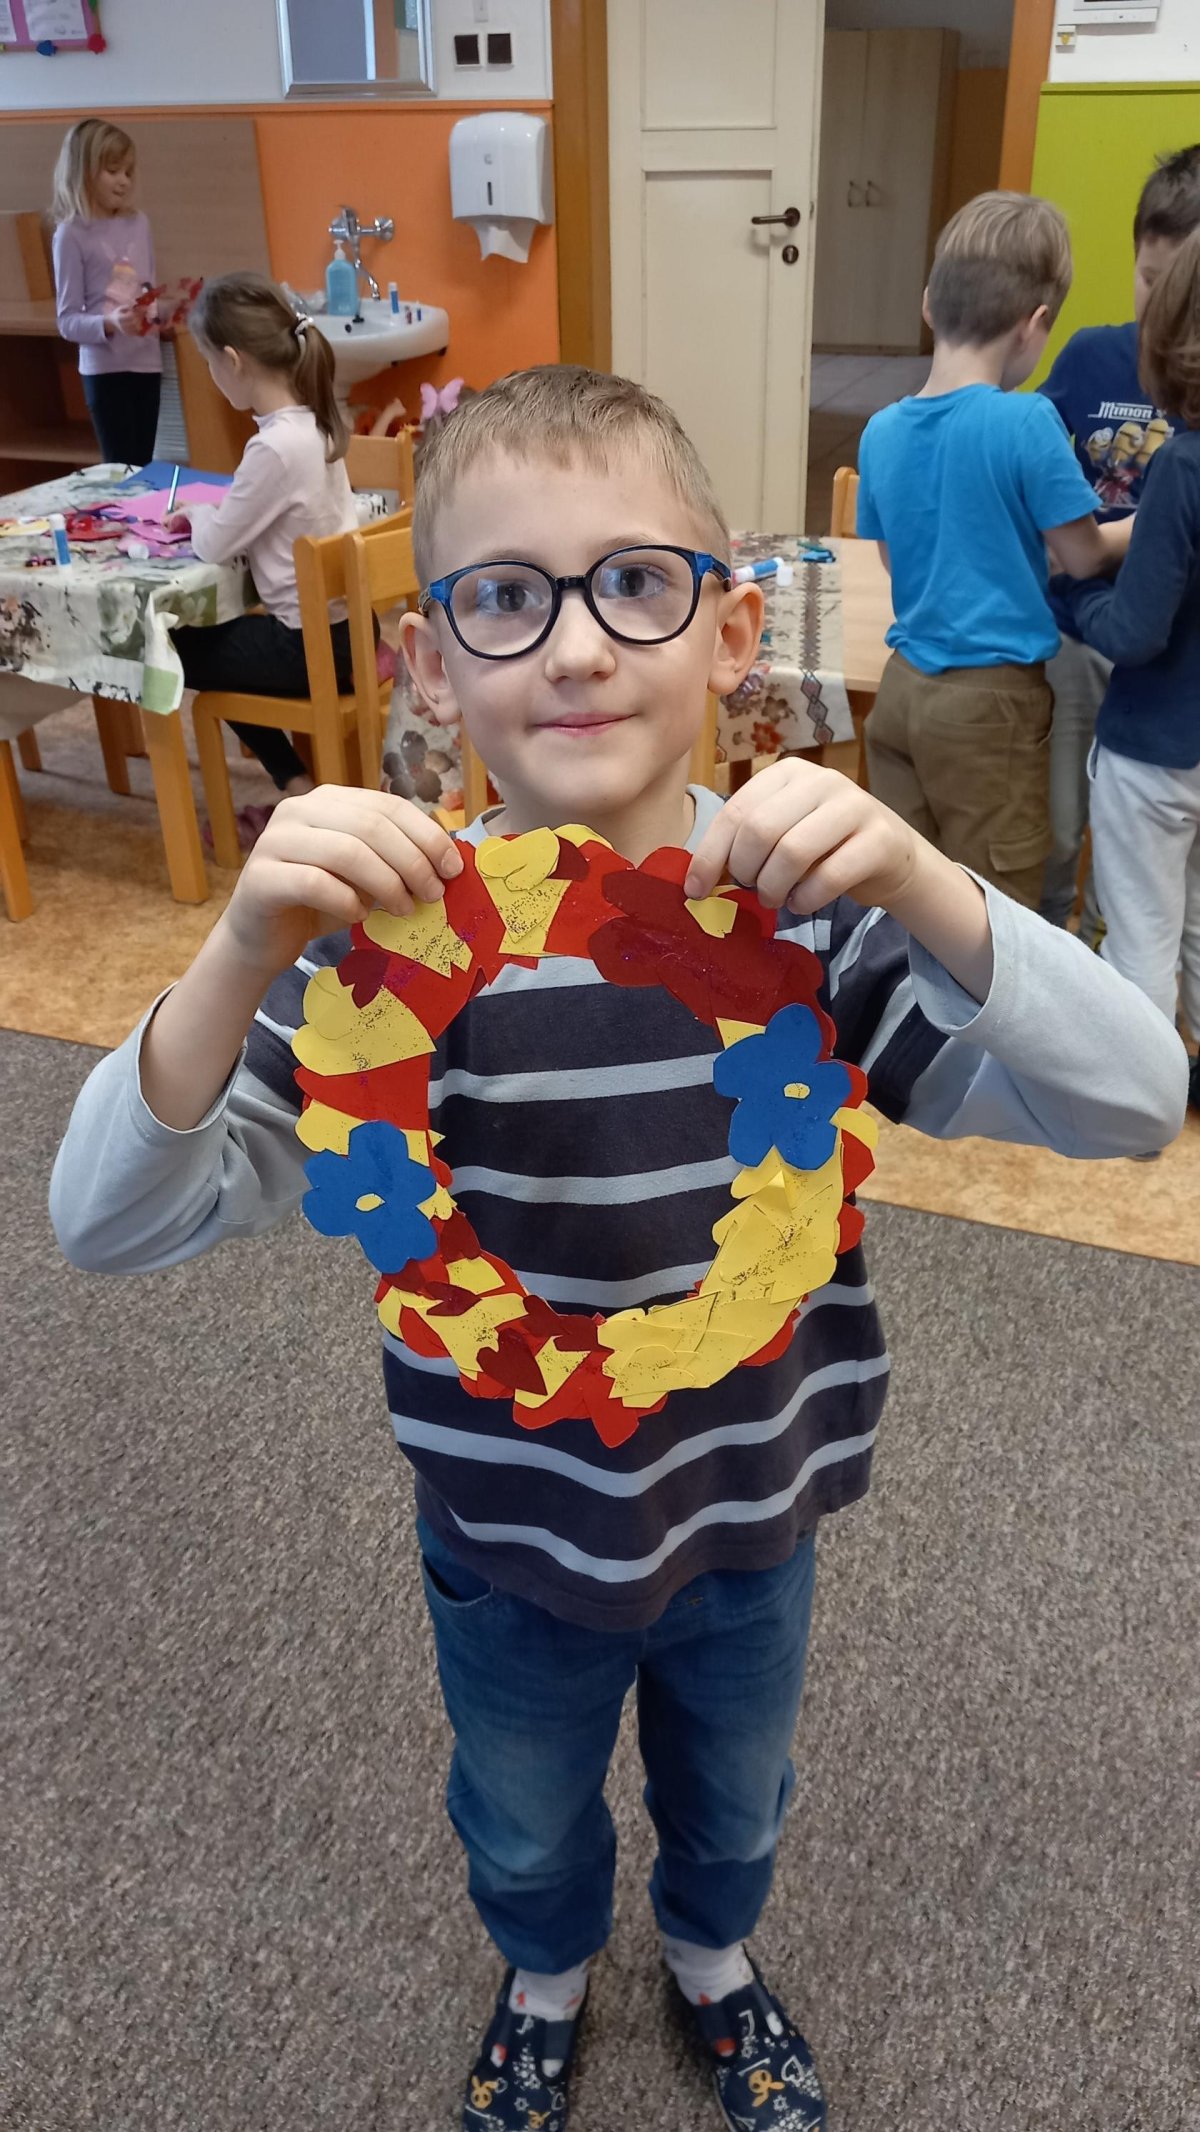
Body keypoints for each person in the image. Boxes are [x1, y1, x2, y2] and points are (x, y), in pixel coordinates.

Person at [50, 366, 1188, 2132]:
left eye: (635, 583)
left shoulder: (810, 934)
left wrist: (924, 882)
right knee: (521, 1811)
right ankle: (547, 1974)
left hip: (751, 1508)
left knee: (737, 1797)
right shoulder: (382, 962)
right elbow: (101, 1221)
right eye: (507, 596)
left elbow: (1138, 1103)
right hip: (508, 1529)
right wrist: (238, 945)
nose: (577, 647)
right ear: (431, 664)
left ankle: (713, 1959)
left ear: (730, 632)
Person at [859, 192, 1130, 912]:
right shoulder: (1025, 420)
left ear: (929, 304)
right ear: (1034, 325)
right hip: (991, 706)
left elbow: (895, 561)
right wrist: (1152, 521)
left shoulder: (881, 429)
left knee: (906, 894)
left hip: (901, 690)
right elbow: (1083, 555)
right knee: (995, 908)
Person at [1053, 234, 1200, 1112]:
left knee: (1140, 931)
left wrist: (1076, 597)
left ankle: (1140, 1104)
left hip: (1155, 751)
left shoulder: (1183, 464)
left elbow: (1137, 633)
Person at [1039, 144, 1200, 937]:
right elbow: (1029, 450)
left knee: (1136, 852)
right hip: (1079, 631)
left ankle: (1108, 939)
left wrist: (1104, 549)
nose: (1159, 305)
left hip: (1159, 653)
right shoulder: (1091, 354)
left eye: (1180, 288)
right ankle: (1054, 933)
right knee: (1061, 816)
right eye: (1148, 277)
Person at [165, 271, 358, 831]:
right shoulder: (316, 425)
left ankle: (295, 787)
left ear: (233, 360)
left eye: (209, 362)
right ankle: (295, 785)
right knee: (224, 641)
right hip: (350, 634)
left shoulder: (273, 446)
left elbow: (213, 544)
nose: (211, 374)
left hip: (308, 649)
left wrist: (197, 513)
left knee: (177, 647)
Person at [51, 119, 162, 467]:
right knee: (119, 471)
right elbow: (67, 321)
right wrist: (110, 322)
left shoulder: (139, 223)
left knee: (143, 468)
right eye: (113, 171)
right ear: (83, 171)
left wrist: (162, 310)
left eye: (128, 172)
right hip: (106, 371)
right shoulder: (70, 234)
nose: (124, 181)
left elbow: (147, 289)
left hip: (147, 363)